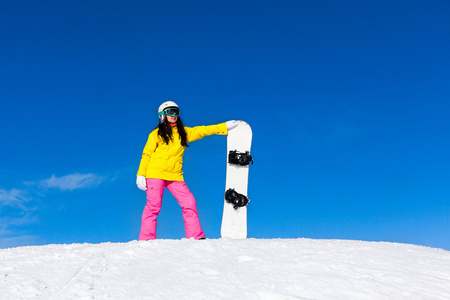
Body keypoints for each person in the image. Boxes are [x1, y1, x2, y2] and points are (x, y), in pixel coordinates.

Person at [136, 101, 238, 240]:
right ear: (162, 115)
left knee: (189, 202)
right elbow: (146, 154)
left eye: (176, 111)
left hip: (175, 176)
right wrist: (141, 174)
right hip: (155, 173)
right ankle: (146, 238)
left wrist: (224, 127)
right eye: (170, 111)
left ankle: (196, 236)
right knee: (154, 206)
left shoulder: (184, 133)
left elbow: (203, 130)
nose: (174, 115)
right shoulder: (155, 134)